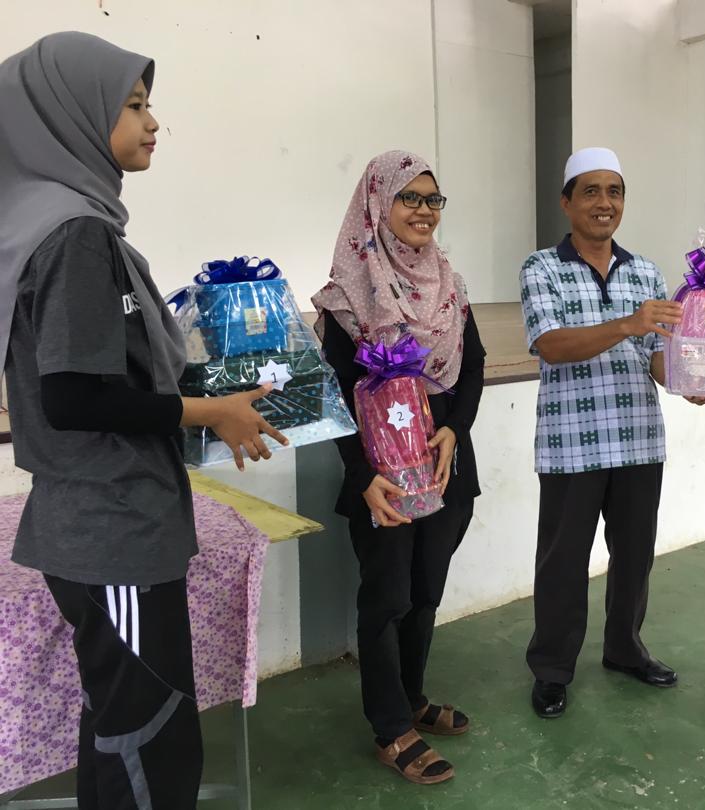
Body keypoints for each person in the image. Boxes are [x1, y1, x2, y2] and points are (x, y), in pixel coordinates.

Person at [0, 32, 285, 808]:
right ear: (69, 115)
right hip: (111, 527)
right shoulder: (75, 234)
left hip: (108, 518)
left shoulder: (64, 223)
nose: (152, 122)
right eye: (132, 105)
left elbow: (107, 374)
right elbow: (74, 399)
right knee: (149, 742)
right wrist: (211, 410)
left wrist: (210, 383)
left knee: (123, 723)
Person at [313, 150, 485, 785]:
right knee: (387, 598)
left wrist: (454, 429)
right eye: (409, 197)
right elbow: (334, 394)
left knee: (425, 592)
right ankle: (390, 727)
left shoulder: (449, 285)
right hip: (381, 473)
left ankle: (411, 699)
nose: (424, 211)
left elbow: (473, 365)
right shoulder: (349, 294)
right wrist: (361, 477)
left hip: (442, 464)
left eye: (432, 199)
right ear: (377, 204)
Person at [519, 147, 683, 720]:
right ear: (566, 202)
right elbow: (551, 345)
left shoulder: (646, 273)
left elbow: (656, 359)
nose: (604, 202)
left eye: (614, 191)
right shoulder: (541, 268)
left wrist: (692, 380)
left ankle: (625, 649)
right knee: (563, 562)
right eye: (590, 191)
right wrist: (630, 322)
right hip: (573, 443)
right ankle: (552, 669)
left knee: (634, 556)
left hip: (639, 439)